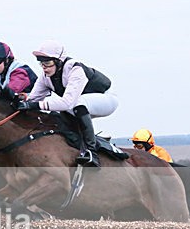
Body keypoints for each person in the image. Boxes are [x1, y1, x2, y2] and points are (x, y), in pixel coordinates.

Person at [16, 40, 118, 168]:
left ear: (58, 61)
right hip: (81, 104)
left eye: (47, 63)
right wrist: (20, 100)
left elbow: (66, 103)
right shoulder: (45, 77)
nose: (44, 67)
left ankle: (92, 152)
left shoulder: (75, 69)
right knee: (59, 114)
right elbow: (33, 99)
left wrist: (36, 105)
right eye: (41, 63)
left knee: (76, 104)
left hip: (107, 99)